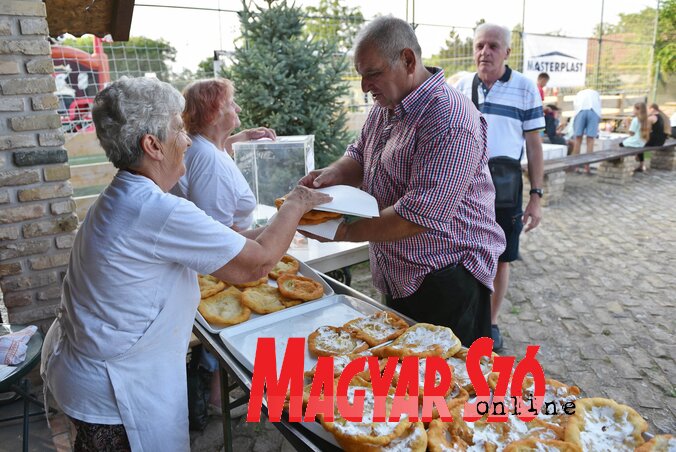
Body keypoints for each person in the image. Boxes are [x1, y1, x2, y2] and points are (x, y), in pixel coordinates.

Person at [40, 77, 331, 451]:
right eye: (179, 129)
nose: (188, 139)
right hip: (116, 390)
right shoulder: (156, 210)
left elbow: (232, 243)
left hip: (95, 372)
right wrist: (296, 203)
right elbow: (254, 267)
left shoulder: (123, 197)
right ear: (153, 146)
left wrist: (277, 223)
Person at [299, 16, 506, 348]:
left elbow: (416, 217)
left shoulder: (450, 119)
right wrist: (333, 173)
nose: (365, 86)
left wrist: (341, 231)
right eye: (361, 75)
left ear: (407, 60)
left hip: (447, 278)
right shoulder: (388, 105)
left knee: (447, 387)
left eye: (372, 73)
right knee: (404, 383)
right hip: (399, 271)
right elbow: (360, 153)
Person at [172, 78, 275, 416]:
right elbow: (217, 235)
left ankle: (218, 389)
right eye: (232, 103)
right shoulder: (209, 160)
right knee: (243, 316)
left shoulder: (204, 146)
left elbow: (211, 155)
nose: (238, 108)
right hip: (213, 269)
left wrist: (237, 139)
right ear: (216, 112)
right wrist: (269, 232)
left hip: (208, 262)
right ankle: (219, 398)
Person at [455, 23, 545, 351]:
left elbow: (534, 146)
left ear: (507, 51)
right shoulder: (462, 86)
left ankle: (490, 323)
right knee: (463, 251)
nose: (485, 52)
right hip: (464, 186)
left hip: (506, 185)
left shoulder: (524, 88)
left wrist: (536, 196)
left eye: (493, 46)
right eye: (480, 45)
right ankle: (465, 316)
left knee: (502, 256)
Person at [571, 88, 602, 173]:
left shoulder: (580, 93)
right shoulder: (595, 93)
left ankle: (575, 165)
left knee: (578, 139)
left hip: (580, 111)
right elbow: (599, 105)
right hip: (593, 111)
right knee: (590, 140)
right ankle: (587, 166)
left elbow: (575, 104)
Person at [620, 102, 650, 172]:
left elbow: (631, 134)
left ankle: (621, 166)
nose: (632, 111)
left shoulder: (636, 119)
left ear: (638, 110)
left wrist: (627, 124)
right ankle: (642, 165)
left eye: (634, 109)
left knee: (619, 145)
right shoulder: (646, 119)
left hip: (634, 142)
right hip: (642, 142)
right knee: (640, 150)